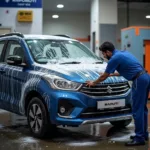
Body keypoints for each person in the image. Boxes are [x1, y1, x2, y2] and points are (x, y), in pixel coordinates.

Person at [86, 42, 150, 146]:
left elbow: (103, 77)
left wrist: (93, 82)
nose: (103, 56)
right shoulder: (123, 53)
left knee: (137, 110)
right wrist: (110, 74)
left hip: (138, 80)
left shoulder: (114, 59)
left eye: (103, 54)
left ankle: (139, 138)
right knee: (143, 109)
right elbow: (125, 70)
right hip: (145, 77)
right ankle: (143, 134)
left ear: (108, 52)